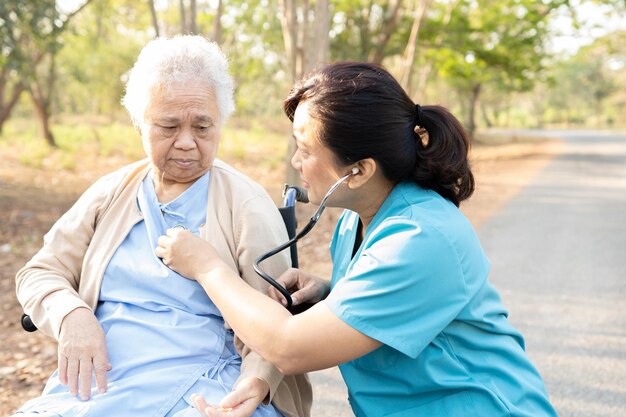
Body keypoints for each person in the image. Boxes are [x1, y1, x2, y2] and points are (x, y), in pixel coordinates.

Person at [156, 61, 559, 417]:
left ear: (359, 171)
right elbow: (393, 309)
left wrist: (207, 266)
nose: (296, 163)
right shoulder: (358, 221)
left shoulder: (422, 238)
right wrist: (330, 294)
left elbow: (289, 347)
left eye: (304, 150)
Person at [14, 35, 311, 417]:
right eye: (169, 126)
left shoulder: (247, 205)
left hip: (208, 384)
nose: (187, 142)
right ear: (140, 124)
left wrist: (253, 385)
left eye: (202, 127)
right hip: (102, 382)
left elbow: (277, 324)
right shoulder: (111, 192)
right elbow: (40, 271)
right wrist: (72, 315)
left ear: (220, 123)